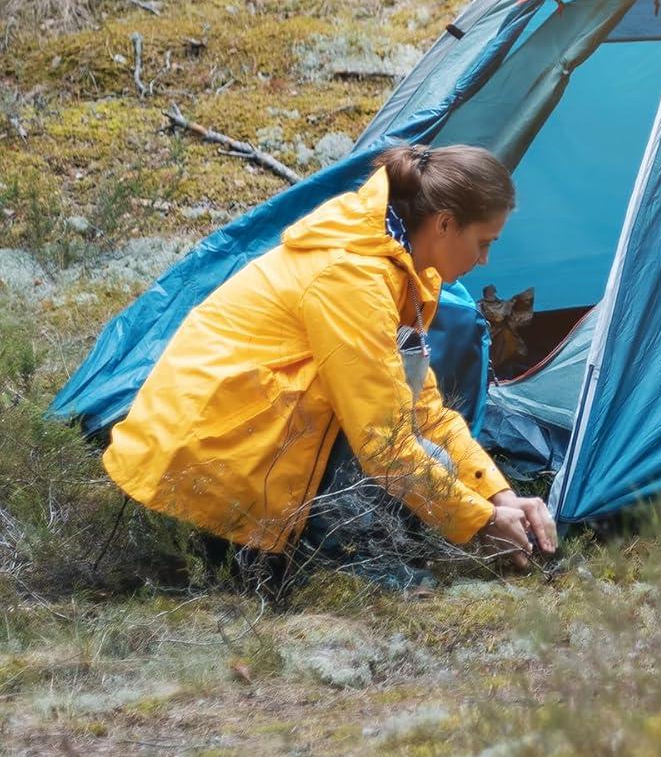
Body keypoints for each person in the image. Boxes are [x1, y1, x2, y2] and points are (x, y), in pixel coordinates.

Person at [103, 143, 556, 580]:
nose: (485, 260)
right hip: (208, 465)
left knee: (425, 446)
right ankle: (344, 562)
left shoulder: (397, 266)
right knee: (396, 445)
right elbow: (384, 445)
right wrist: (481, 521)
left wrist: (501, 496)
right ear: (444, 224)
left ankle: (334, 552)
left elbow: (423, 410)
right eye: (482, 242)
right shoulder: (352, 277)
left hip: (242, 443)